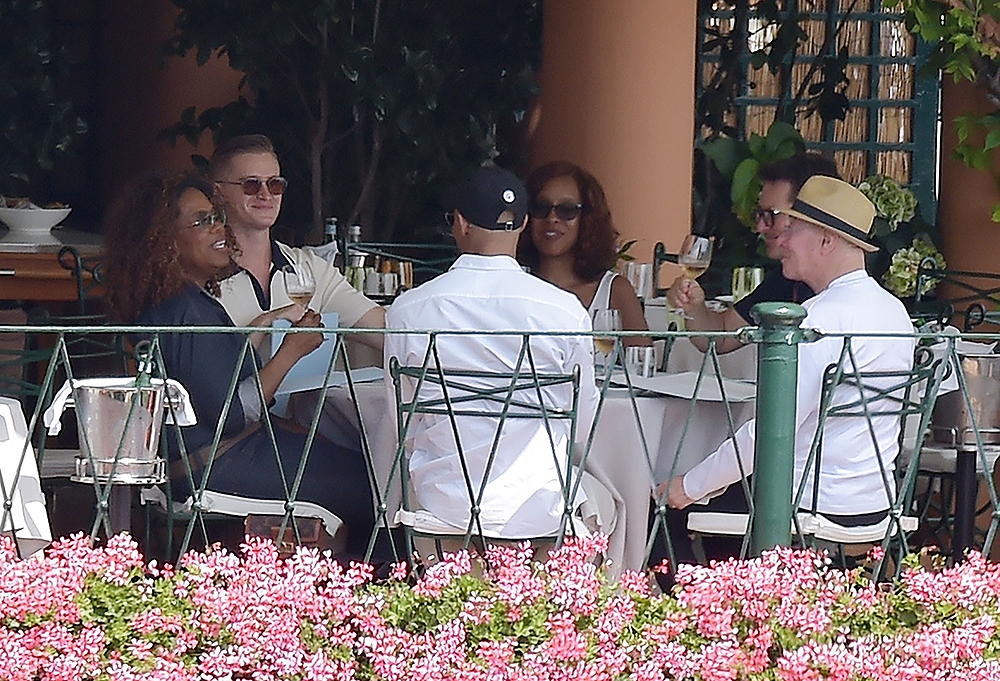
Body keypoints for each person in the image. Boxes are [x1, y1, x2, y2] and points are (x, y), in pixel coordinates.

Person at [102, 171, 380, 559]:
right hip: (220, 464)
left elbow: (206, 381)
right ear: (166, 241)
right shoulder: (189, 311)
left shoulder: (178, 304)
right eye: (202, 221)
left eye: (217, 216)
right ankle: (365, 589)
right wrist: (292, 352)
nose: (219, 227)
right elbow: (233, 413)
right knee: (377, 487)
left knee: (361, 472)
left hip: (208, 459)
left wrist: (255, 332)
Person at [660, 175, 915, 563]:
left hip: (804, 509)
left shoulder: (818, 318)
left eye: (793, 230)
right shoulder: (893, 312)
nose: (781, 241)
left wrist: (686, 487)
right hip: (874, 506)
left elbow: (770, 433)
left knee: (663, 514)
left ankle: (706, 618)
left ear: (827, 241)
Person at [385, 165, 602, 538]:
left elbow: (403, 425)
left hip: (443, 509)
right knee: (608, 504)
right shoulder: (564, 310)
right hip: (540, 511)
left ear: (461, 223)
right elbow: (581, 425)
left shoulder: (409, 309)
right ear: (520, 227)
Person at [209, 134, 385, 350]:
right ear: (218, 193)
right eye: (251, 185)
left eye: (275, 185)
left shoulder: (311, 270)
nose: (265, 195)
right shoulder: (202, 275)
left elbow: (386, 331)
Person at [667, 152, 839, 354]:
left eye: (770, 216)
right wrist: (694, 307)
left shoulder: (853, 301)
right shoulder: (787, 281)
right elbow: (722, 336)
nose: (759, 227)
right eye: (759, 214)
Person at [519, 160, 650, 346]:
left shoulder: (614, 291)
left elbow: (641, 365)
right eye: (541, 207)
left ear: (587, 219)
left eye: (567, 210)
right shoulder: (514, 286)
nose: (552, 218)